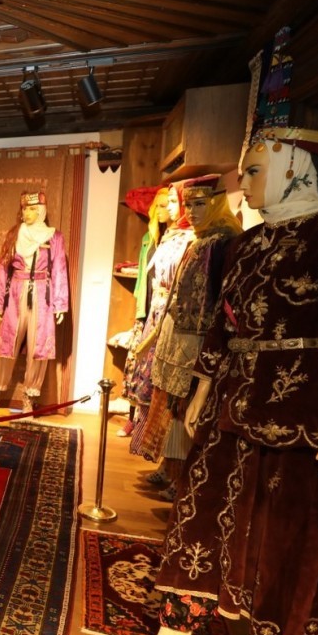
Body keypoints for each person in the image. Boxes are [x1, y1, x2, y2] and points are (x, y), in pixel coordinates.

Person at [142, 126, 318, 635]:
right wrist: (203, 387)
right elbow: (222, 322)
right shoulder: (245, 244)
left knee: (284, 531)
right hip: (230, 399)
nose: (244, 184)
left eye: (254, 171)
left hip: (300, 408)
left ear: (295, 166)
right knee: (200, 513)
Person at [135, 174, 242, 496]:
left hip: (199, 338)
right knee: (173, 404)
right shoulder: (200, 238)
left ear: (216, 202)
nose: (192, 212)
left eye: (200, 204)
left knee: (189, 405)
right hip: (179, 332)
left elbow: (221, 297)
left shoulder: (223, 242)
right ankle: (170, 468)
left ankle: (183, 478)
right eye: (190, 205)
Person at [123, 184, 193, 448]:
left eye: (171, 203)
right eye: (161, 205)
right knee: (140, 366)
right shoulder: (152, 238)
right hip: (152, 307)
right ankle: (136, 421)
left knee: (156, 370)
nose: (165, 210)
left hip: (168, 311)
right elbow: (145, 277)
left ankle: (148, 432)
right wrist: (141, 310)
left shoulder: (185, 238)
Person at [0, 190, 69, 413]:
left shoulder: (54, 237)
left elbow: (59, 269)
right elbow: (3, 268)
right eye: (25, 208)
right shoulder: (14, 235)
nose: (28, 213)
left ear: (42, 211)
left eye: (33, 209)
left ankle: (29, 399)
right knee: (7, 344)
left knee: (39, 347)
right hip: (16, 293)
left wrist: (60, 304)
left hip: (42, 295)